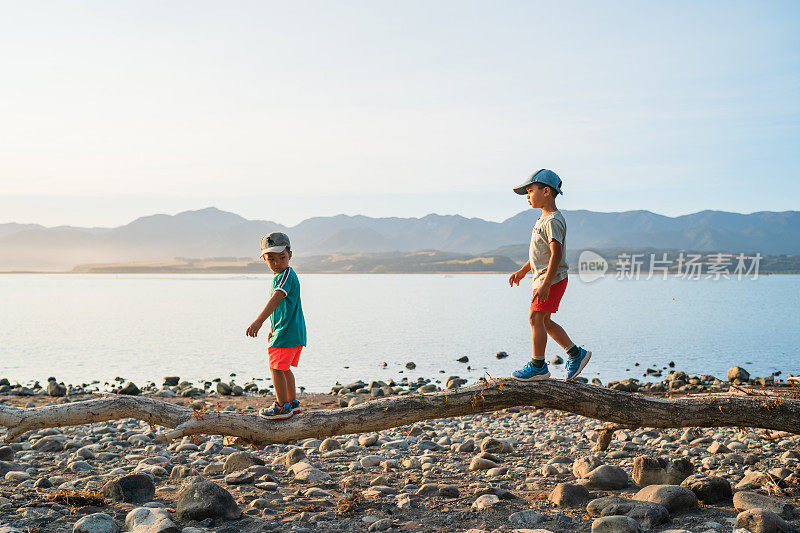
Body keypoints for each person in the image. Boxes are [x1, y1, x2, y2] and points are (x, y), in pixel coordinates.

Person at [507, 169, 591, 381]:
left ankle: (538, 366)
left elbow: (556, 254)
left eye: (530, 191)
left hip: (551, 279)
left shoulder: (553, 220)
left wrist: (545, 284)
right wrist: (522, 271)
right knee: (544, 322)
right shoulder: (542, 220)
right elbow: (538, 256)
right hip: (546, 279)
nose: (527, 195)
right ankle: (575, 354)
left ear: (546, 191)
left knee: (535, 318)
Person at [246, 232, 307, 419]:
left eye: (282, 257)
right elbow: (282, 307)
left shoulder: (285, 276)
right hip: (292, 332)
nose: (277, 262)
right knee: (284, 368)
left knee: (276, 368)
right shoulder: (284, 275)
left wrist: (259, 321)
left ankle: (282, 407)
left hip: (287, 332)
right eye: (271, 258)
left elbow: (276, 299)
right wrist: (273, 327)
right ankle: (292, 404)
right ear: (264, 259)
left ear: (290, 254)